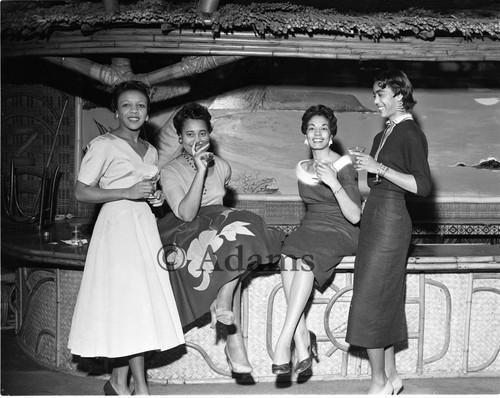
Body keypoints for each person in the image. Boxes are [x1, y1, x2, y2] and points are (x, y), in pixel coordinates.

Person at [68, 81, 184, 395]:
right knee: (128, 305)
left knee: (137, 306)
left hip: (143, 227)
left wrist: (154, 199)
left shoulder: (151, 150)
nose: (134, 111)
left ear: (148, 113)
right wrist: (126, 192)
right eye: (126, 105)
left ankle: (119, 382)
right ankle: (139, 388)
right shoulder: (103, 144)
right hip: (115, 229)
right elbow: (80, 191)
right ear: (117, 111)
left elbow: (145, 189)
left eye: (140, 106)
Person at [157, 102, 284, 375]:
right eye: (189, 134)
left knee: (248, 226)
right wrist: (201, 171)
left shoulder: (223, 166)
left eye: (202, 133)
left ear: (209, 134)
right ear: (180, 138)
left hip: (217, 222)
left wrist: (210, 168)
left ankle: (224, 300)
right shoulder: (169, 171)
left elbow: (219, 205)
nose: (197, 140)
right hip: (185, 230)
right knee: (227, 242)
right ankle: (234, 339)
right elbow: (187, 214)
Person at [346, 70, 432, 394]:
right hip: (374, 220)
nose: (375, 100)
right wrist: (362, 168)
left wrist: (377, 167)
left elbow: (422, 186)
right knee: (382, 300)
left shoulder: (410, 132)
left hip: (393, 222)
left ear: (399, 94)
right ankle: (393, 377)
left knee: (371, 300)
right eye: (373, 94)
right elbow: (372, 185)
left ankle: (379, 382)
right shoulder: (382, 135)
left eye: (380, 94)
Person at [271, 104, 362, 375]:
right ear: (305, 136)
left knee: (306, 260)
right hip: (312, 226)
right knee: (287, 256)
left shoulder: (343, 164)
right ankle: (302, 338)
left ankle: (284, 340)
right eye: (312, 128)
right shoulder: (301, 167)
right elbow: (312, 208)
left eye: (323, 128)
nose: (318, 133)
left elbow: (355, 215)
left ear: (331, 134)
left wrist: (334, 182)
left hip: (342, 229)